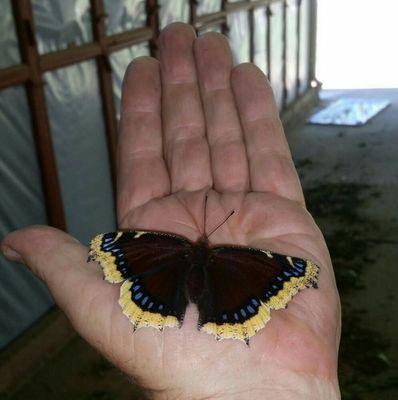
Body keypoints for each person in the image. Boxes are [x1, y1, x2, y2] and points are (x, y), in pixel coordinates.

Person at [1, 22, 341, 399]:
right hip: (219, 291)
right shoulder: (241, 257)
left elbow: (116, 246)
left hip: (163, 283)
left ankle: (177, 311)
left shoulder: (157, 244)